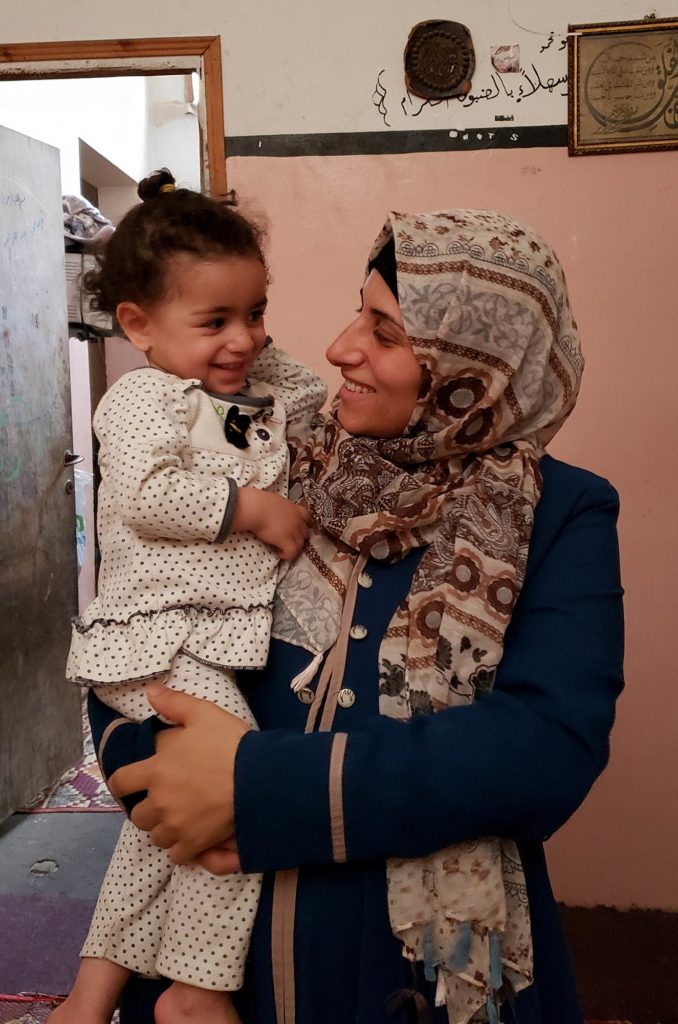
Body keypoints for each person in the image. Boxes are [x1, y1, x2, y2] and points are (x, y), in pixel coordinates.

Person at [90, 208, 624, 1024]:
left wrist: (254, 786)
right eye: (356, 312)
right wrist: (152, 775)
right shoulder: (281, 461)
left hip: (415, 966)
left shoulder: (558, 514)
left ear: (471, 364)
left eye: (384, 330)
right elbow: (145, 611)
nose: (340, 348)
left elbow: (543, 753)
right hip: (221, 960)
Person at [51, 169, 326, 1024]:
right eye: (214, 321)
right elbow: (147, 496)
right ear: (137, 325)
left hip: (199, 644)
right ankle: (197, 991)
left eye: (256, 312)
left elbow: (312, 397)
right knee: (233, 791)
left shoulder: (240, 392)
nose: (243, 339)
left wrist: (243, 338)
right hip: (154, 646)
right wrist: (256, 507)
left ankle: (87, 998)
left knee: (156, 832)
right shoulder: (139, 398)